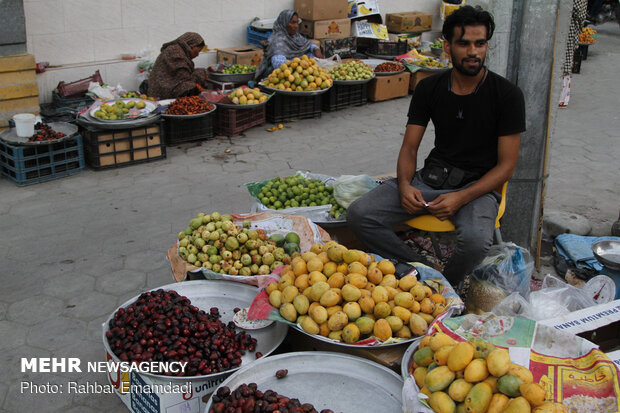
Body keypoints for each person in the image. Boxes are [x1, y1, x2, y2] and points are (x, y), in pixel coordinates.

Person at [347, 6, 526, 288]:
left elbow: (506, 166)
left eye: (480, 44)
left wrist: (462, 197)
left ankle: (446, 285)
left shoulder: (507, 95)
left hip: (479, 187)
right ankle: (424, 271)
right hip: (433, 178)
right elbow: (409, 148)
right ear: (447, 47)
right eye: (464, 43)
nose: (473, 52)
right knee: (360, 214)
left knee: (477, 242)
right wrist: (405, 185)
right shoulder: (429, 89)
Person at [255, 10, 323, 80]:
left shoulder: (295, 36)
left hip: (300, 72)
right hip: (282, 75)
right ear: (284, 23)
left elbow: (307, 44)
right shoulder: (277, 40)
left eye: (297, 23)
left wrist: (316, 49)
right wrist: (301, 65)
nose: (296, 26)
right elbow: (280, 65)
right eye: (293, 23)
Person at [148, 32, 209, 99]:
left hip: (164, 86)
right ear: (192, 46)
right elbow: (184, 80)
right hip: (162, 92)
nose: (197, 55)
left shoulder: (177, 50)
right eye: (198, 51)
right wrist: (203, 91)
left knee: (200, 72)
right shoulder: (175, 53)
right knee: (198, 75)